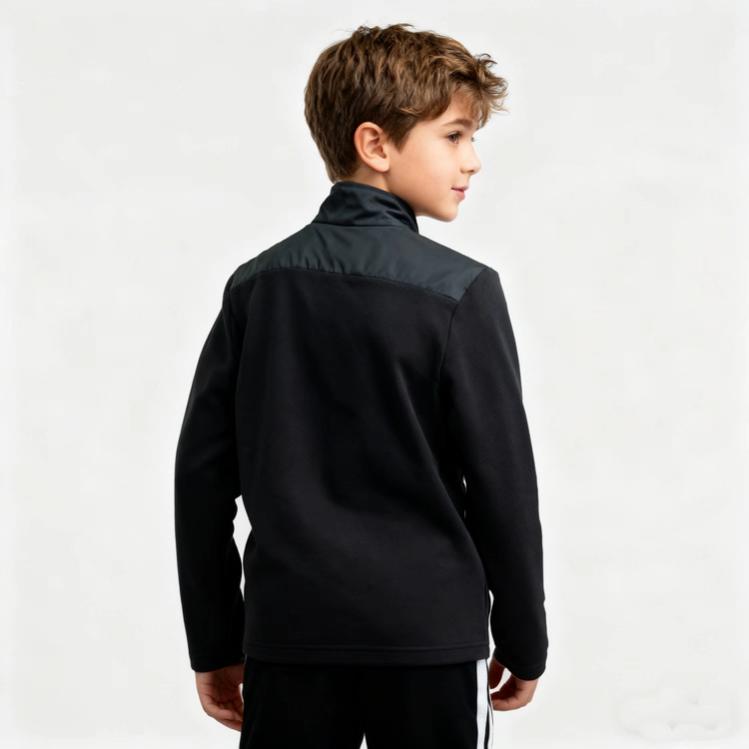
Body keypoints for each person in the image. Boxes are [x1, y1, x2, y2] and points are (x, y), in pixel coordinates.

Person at [174, 21, 548, 749]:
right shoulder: (461, 291)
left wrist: (214, 640)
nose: (472, 161)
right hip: (429, 641)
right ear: (375, 144)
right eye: (454, 136)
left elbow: (202, 479)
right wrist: (524, 638)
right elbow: (503, 484)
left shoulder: (255, 288)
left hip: (290, 637)